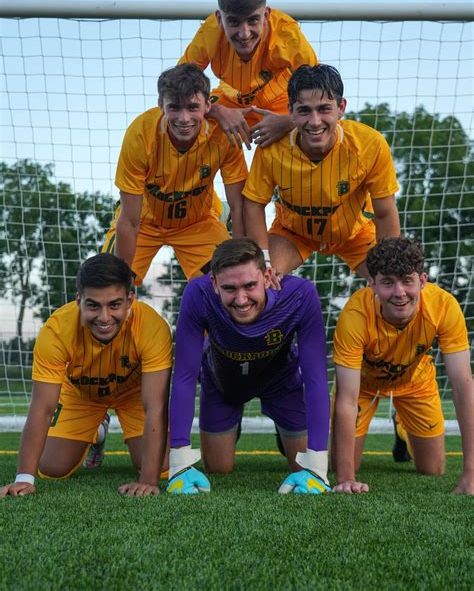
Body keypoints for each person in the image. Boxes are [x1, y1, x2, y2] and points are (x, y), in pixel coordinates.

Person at [166, 238, 331, 495]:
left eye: (250, 286)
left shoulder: (300, 295)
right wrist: (177, 463)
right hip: (223, 382)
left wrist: (318, 467)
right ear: (214, 284)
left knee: (301, 468)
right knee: (219, 467)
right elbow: (185, 375)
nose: (241, 299)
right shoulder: (197, 294)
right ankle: (234, 422)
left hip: (280, 382)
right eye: (229, 288)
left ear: (267, 277)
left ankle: (282, 428)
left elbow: (316, 377)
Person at [0, 253, 172, 498]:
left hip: (133, 394)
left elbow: (155, 405)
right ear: (79, 300)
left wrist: (148, 480)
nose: (104, 317)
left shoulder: (152, 327)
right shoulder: (57, 330)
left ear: (129, 301)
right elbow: (42, 407)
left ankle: (106, 432)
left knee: (163, 466)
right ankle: (97, 430)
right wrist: (24, 478)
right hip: (81, 394)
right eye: (93, 305)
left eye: (114, 304)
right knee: (51, 469)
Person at [331, 237, 473, 495]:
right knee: (339, 464)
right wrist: (346, 478)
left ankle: (403, 427)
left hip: (415, 381)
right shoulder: (354, 316)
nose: (399, 293)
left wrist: (472, 473)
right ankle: (351, 459)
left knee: (433, 469)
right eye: (387, 282)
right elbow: (347, 397)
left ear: (422, 280)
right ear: (372, 283)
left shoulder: (444, 307)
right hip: (364, 386)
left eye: (407, 281)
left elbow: (463, 385)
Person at [243, 64, 401, 281]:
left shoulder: (370, 145)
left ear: (341, 107)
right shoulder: (272, 148)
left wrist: (389, 268)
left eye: (324, 109)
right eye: (304, 110)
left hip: (356, 234)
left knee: (394, 283)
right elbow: (253, 203)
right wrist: (266, 262)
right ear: (290, 110)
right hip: (293, 233)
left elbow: (385, 212)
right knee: (260, 282)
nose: (315, 121)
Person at [103, 63, 248, 284]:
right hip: (144, 222)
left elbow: (240, 206)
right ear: (161, 104)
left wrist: (241, 265)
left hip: (197, 222)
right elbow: (130, 222)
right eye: (174, 107)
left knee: (229, 283)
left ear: (208, 105)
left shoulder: (223, 136)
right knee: (110, 283)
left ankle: (219, 211)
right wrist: (120, 285)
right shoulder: (140, 135)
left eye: (192, 107)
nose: (184, 118)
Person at [179, 0, 318, 149]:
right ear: (220, 19)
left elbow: (319, 92)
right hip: (229, 98)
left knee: (310, 129)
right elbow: (178, 87)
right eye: (234, 22)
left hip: (280, 101)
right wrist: (217, 111)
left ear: (266, 15)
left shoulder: (287, 35)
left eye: (253, 20)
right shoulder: (209, 34)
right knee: (189, 120)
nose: (244, 34)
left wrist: (289, 121)